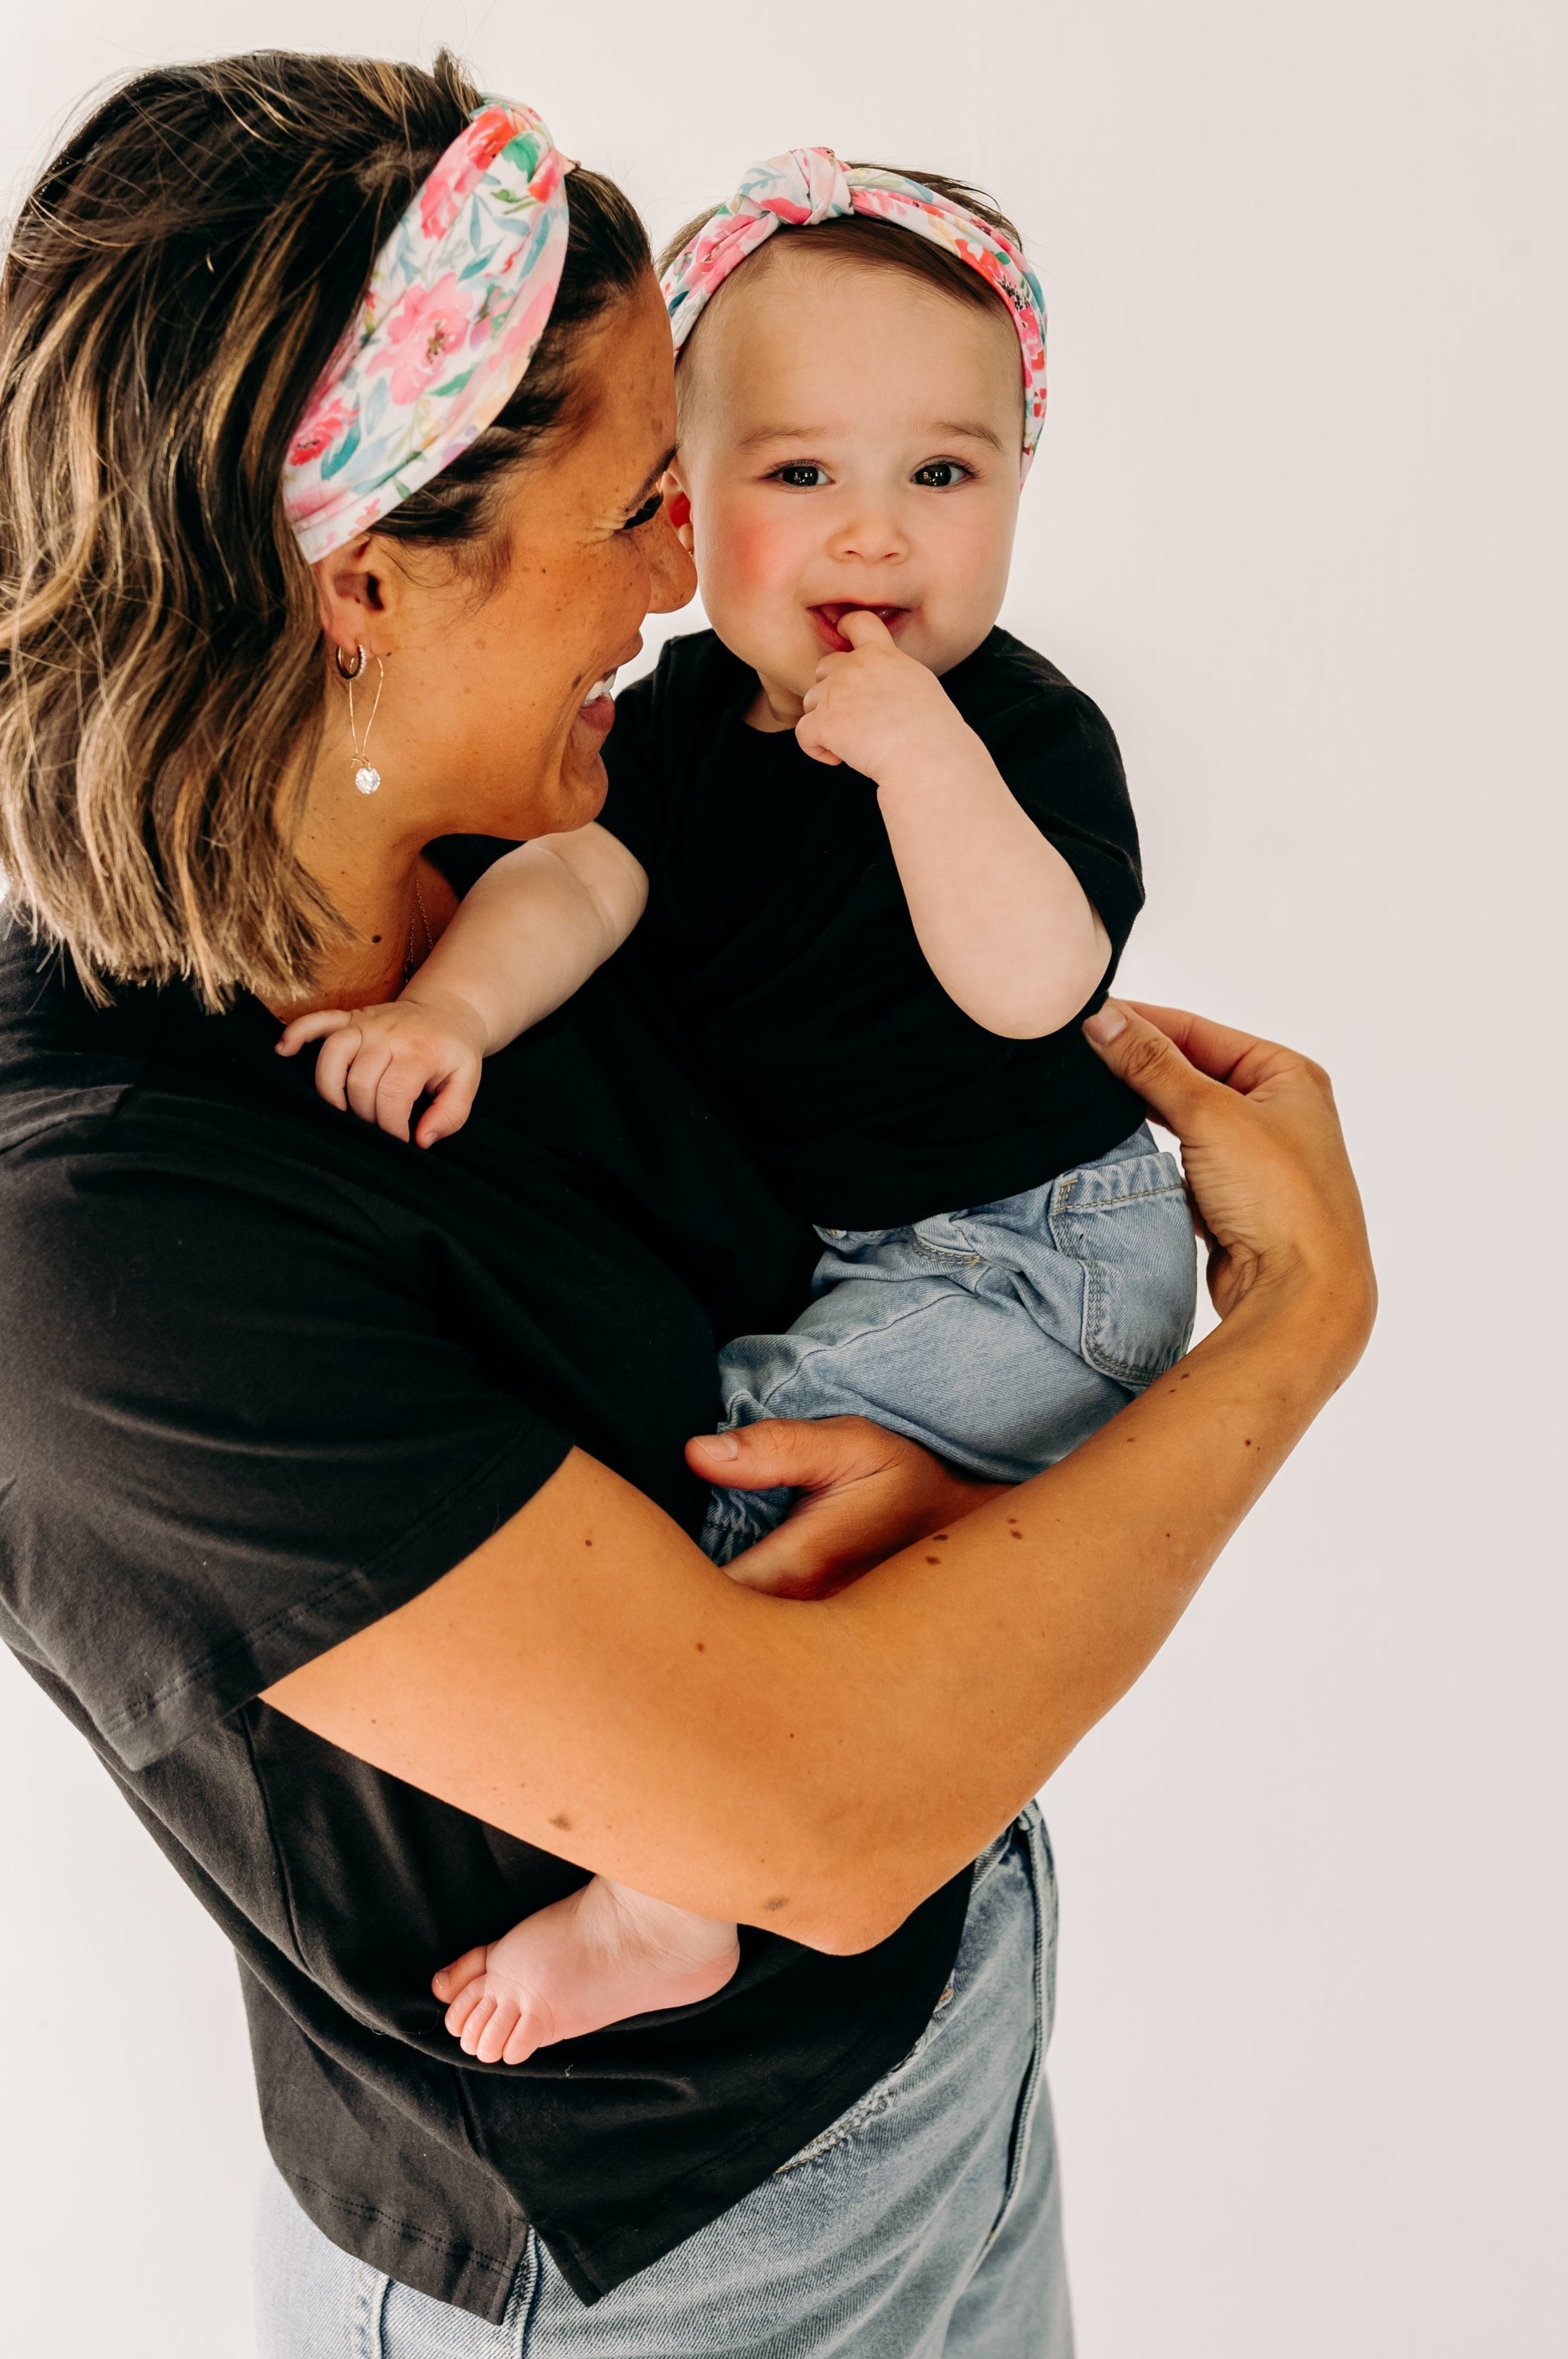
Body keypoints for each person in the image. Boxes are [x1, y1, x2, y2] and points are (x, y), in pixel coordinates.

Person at [0, 47, 1374, 2357]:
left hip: (952, 2052)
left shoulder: (521, 861)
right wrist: (1296, 1325)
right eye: (640, 505)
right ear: (369, 581)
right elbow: (822, 1815)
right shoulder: (82, 1242)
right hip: (658, 2270)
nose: (693, 575)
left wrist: (969, 1511)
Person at [281, 150, 1203, 2066]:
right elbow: (575, 879)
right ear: (684, 506)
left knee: (760, 1468)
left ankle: (668, 1906)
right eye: (800, 474)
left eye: (943, 474)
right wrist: (451, 1010)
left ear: (1020, 491)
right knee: (752, 1471)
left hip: (1036, 1254)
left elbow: (1035, 983)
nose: (876, 532)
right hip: (875, 1252)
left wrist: (928, 768)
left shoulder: (1020, 734)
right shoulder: (683, 725)